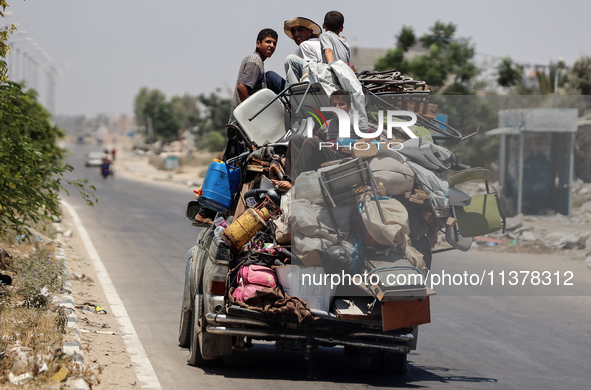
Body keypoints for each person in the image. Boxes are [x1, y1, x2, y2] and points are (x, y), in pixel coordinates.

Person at [271, 90, 363, 191]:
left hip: (340, 159)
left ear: (349, 107)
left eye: (341, 104)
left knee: (312, 142)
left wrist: (358, 143)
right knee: (296, 138)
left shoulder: (353, 122)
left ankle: (293, 183)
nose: (337, 107)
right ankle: (289, 178)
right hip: (325, 156)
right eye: (334, 104)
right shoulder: (327, 124)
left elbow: (375, 134)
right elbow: (316, 137)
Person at [229, 28, 285, 122]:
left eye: (274, 43)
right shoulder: (255, 60)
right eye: (268, 42)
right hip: (243, 125)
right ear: (258, 43)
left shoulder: (256, 60)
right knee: (270, 76)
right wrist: (250, 114)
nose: (272, 46)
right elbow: (241, 87)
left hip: (242, 124)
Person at [283, 17, 322, 85]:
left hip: (318, 80)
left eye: (300, 30)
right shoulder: (320, 43)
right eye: (293, 31)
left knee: (290, 60)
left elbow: (310, 72)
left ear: (310, 32)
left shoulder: (305, 45)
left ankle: (293, 94)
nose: (296, 34)